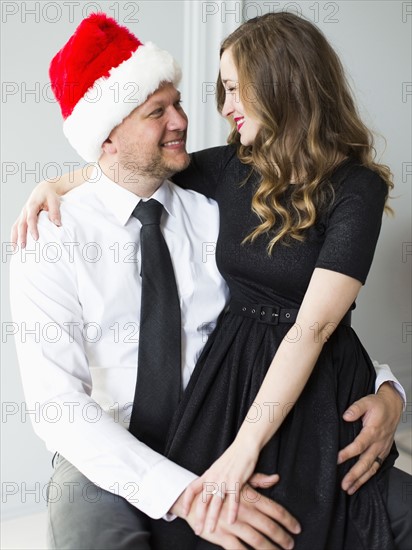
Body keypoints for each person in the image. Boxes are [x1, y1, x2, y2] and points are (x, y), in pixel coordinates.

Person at [11, 12, 410, 550]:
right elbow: (58, 409)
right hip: (108, 450)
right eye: (159, 111)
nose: (187, 119)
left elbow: (299, 314)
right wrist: (185, 495)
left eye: (181, 101)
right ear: (106, 135)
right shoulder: (53, 235)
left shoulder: (209, 204)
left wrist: (388, 388)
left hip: (234, 417)